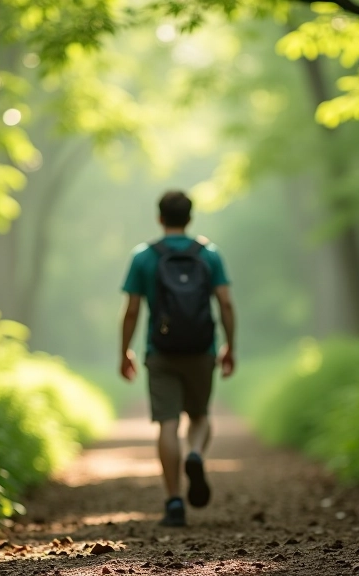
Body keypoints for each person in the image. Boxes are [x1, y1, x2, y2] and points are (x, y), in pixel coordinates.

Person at [119, 189, 236, 527]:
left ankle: (173, 502)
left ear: (160, 218)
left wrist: (124, 351)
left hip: (162, 351)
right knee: (199, 416)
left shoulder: (144, 256)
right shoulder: (210, 254)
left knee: (168, 423)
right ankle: (196, 453)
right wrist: (230, 345)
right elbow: (225, 303)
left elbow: (132, 311)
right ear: (190, 217)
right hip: (202, 350)